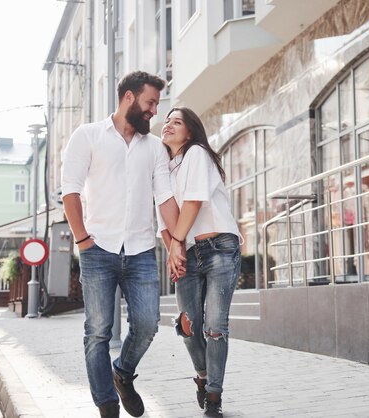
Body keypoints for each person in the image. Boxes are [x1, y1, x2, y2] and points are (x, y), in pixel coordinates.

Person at [61, 71, 180, 418]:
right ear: (129, 97)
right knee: (97, 332)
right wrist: (82, 239)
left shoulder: (155, 147)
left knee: (147, 324)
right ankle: (107, 405)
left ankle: (122, 373)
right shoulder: (88, 136)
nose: (154, 111)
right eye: (150, 103)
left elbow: (166, 198)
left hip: (142, 249)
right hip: (98, 248)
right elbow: (70, 190)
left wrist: (178, 243)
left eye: (156, 104)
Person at [159, 107, 241, 418]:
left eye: (176, 122)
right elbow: (163, 221)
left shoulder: (196, 153)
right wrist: (173, 250)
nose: (168, 125)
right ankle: (204, 377)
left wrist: (177, 244)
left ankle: (214, 398)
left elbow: (193, 202)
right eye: (166, 121)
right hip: (186, 253)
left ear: (190, 132)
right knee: (187, 324)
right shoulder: (164, 169)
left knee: (215, 327)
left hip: (219, 246)